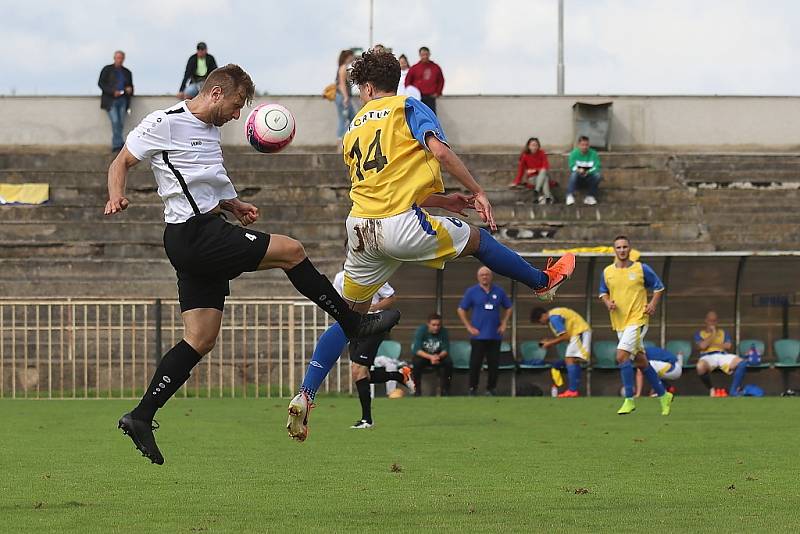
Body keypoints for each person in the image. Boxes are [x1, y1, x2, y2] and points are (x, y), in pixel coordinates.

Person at [106, 64, 399, 464]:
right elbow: (120, 161)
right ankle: (353, 323)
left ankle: (141, 416)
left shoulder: (210, 132)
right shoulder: (164, 122)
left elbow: (204, 181)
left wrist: (234, 203)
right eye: (236, 104)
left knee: (200, 338)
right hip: (194, 234)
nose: (237, 114)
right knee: (292, 251)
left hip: (203, 231)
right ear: (214, 94)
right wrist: (116, 196)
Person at [286, 50, 575, 441]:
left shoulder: (354, 127)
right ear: (396, 81)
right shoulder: (409, 105)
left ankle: (306, 393)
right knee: (477, 239)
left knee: (348, 317)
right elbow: (438, 151)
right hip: (399, 225)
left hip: (360, 229)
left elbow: (385, 187)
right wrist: (476, 191)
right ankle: (541, 281)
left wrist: (443, 201)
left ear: (367, 87)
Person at [599, 235, 673, 416]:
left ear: (630, 249)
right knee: (641, 362)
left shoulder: (641, 269)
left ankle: (629, 399)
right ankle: (664, 395)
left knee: (622, 356)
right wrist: (608, 303)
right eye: (619, 247)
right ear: (614, 250)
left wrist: (652, 304)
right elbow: (602, 292)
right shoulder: (607, 271)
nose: (622, 250)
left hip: (638, 319)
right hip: (619, 322)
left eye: (625, 247)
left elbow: (659, 287)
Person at [332, 270, 415, 430]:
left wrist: (373, 307)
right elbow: (337, 301)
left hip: (374, 325)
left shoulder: (372, 274)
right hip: (353, 327)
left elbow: (391, 297)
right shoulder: (340, 278)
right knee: (359, 374)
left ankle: (367, 420)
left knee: (359, 370)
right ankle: (399, 376)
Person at [458, 267, 512, 396]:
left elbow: (509, 307)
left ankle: (491, 388)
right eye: (482, 275)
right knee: (475, 364)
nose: (484, 277)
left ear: (491, 276)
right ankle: (473, 388)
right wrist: (469, 326)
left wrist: (504, 323)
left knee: (494, 364)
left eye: (487, 274)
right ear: (478, 277)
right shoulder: (472, 291)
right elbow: (461, 309)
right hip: (478, 335)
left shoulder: (499, 291)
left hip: (495, 335)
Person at [531, 306, 591, 397]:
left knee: (570, 359)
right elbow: (563, 336)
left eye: (540, 321)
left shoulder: (554, 318)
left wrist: (549, 343)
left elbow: (565, 336)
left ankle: (572, 390)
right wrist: (549, 341)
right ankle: (573, 390)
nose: (541, 324)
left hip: (579, 332)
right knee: (573, 360)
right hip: (579, 333)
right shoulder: (554, 315)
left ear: (543, 315)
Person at [694, 310, 748, 397]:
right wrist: (713, 333)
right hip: (707, 356)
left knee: (742, 362)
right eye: (710, 320)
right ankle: (711, 389)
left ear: (717, 321)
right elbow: (702, 346)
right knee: (699, 367)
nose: (712, 323)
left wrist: (711, 343)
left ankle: (733, 390)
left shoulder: (723, 332)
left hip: (722, 355)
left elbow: (728, 346)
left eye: (714, 320)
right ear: (706, 321)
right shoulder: (699, 333)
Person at [98, 50, 134, 152]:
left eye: (121, 58)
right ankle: (117, 144)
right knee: (115, 121)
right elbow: (101, 83)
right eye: (118, 58)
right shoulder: (107, 69)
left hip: (123, 100)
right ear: (114, 58)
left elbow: (131, 86)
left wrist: (129, 89)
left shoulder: (127, 72)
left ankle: (119, 143)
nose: (119, 60)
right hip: (111, 100)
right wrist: (113, 92)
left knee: (121, 122)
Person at [411, 313, 453, 396]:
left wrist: (438, 357)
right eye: (433, 325)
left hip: (438, 356)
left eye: (438, 325)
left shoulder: (444, 332)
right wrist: (430, 357)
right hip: (425, 356)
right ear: (428, 324)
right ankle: (417, 391)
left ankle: (445, 391)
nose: (436, 327)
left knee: (448, 363)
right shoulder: (421, 331)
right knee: (416, 362)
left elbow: (446, 350)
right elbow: (417, 350)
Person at [510, 137, 553, 204]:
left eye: (536, 145)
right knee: (545, 178)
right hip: (532, 178)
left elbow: (546, 166)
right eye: (532, 145)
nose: (534, 147)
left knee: (544, 172)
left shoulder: (542, 153)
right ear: (529, 146)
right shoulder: (525, 155)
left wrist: (534, 170)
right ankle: (548, 197)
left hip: (542, 175)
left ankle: (537, 191)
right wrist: (516, 182)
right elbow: (521, 170)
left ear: (538, 146)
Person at [404, 46, 445, 114]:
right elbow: (407, 82)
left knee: (431, 115)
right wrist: (410, 94)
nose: (425, 57)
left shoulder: (435, 67)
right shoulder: (414, 68)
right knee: (418, 115)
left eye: (426, 54)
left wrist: (438, 92)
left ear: (429, 54)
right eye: (423, 55)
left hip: (430, 97)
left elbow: (441, 81)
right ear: (420, 55)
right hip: (417, 98)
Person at [566, 136, 602, 206]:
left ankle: (590, 196)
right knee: (574, 174)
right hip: (578, 178)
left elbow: (597, 166)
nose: (585, 147)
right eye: (582, 145)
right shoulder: (574, 153)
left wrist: (587, 172)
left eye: (586, 145)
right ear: (578, 145)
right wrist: (578, 170)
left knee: (598, 175)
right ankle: (569, 195)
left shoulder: (593, 153)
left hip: (589, 177)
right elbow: (571, 166)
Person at [335, 49, 356, 145]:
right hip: (343, 97)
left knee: (351, 118)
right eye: (352, 56)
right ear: (348, 57)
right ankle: (341, 142)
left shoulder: (343, 67)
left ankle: (346, 140)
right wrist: (346, 97)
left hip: (342, 97)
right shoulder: (343, 68)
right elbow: (341, 84)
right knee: (344, 119)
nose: (353, 58)